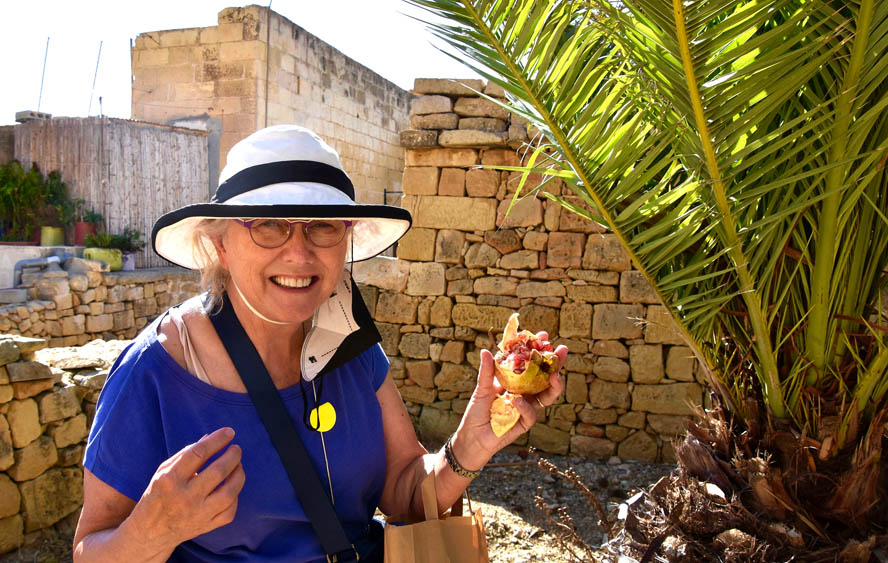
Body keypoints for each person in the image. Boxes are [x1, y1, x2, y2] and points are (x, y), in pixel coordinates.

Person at [73, 125, 567, 562]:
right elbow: (89, 549)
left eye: (323, 226)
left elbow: (401, 492)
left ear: (345, 238)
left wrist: (469, 448)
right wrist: (152, 531)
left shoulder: (351, 347)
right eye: (269, 225)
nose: (299, 252)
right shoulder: (155, 370)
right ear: (220, 244)